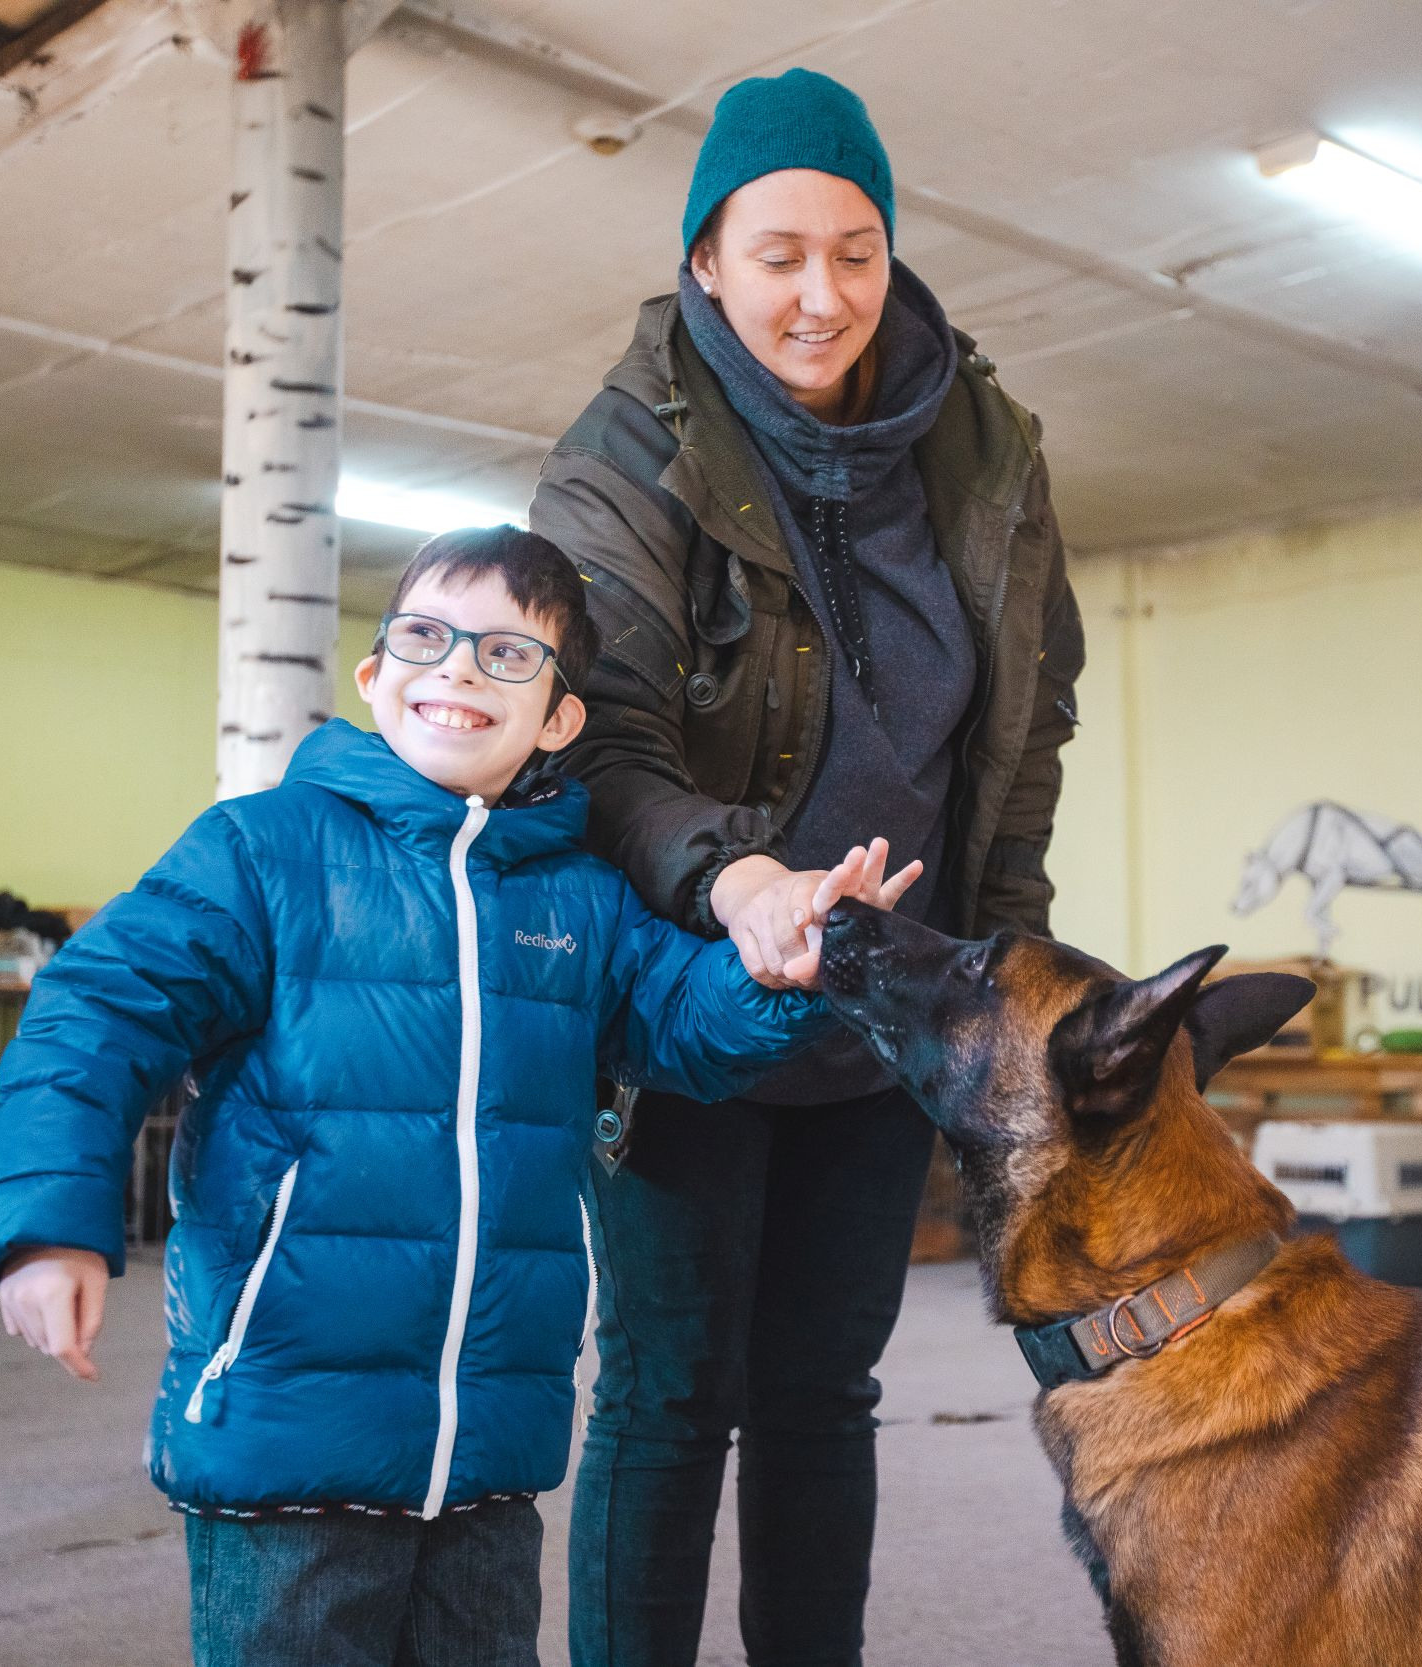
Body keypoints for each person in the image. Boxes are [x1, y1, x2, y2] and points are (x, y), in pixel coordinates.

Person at [0, 526, 918, 1667]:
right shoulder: (265, 852)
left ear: (561, 717)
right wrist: (44, 1222)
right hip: (289, 1448)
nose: (460, 669)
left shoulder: (580, 895)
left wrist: (779, 964)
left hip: (487, 1461)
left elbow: (684, 1022)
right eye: (427, 636)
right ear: (374, 677)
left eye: (508, 655)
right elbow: (96, 1009)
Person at [531, 69, 1086, 1667]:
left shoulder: (982, 445)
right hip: (695, 999)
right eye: (777, 253)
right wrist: (738, 885)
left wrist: (1012, 956)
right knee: (669, 1382)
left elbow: (1022, 725)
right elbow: (603, 742)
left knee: (824, 1388)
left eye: (856, 250)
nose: (821, 294)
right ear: (705, 258)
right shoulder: (628, 449)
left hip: (887, 1004)